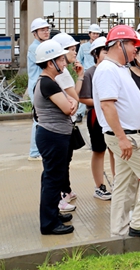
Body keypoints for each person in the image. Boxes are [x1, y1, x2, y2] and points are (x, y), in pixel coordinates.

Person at [93, 24, 140, 238]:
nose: (136, 49)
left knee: (125, 183)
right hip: (128, 136)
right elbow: (107, 105)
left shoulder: (119, 68)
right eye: (132, 44)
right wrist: (122, 138)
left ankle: (119, 230)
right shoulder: (107, 70)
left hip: (131, 135)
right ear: (119, 45)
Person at [33, 40, 78, 235]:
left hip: (53, 135)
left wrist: (71, 102)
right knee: (52, 179)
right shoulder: (48, 83)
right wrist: (71, 103)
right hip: (53, 136)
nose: (64, 62)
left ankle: (53, 215)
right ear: (50, 63)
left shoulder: (50, 82)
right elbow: (69, 107)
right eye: (60, 59)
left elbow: (71, 102)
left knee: (53, 177)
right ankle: (49, 224)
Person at [51, 33, 85, 213]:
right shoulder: (62, 74)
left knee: (65, 159)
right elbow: (74, 97)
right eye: (71, 49)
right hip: (61, 123)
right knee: (61, 161)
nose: (75, 52)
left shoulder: (62, 72)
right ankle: (61, 195)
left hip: (65, 122)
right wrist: (81, 77)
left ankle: (66, 190)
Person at [78, 36, 114, 201]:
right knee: (99, 151)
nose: (108, 54)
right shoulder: (90, 73)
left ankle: (118, 183)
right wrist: (102, 103)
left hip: (112, 114)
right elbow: (83, 98)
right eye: (105, 51)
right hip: (95, 116)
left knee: (115, 150)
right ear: (96, 54)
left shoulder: (114, 71)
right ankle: (99, 187)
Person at [27, 17, 52, 161]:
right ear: (34, 33)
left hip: (42, 85)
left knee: (42, 118)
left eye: (47, 29)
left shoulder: (43, 46)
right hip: (37, 87)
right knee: (38, 119)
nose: (46, 32)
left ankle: (39, 150)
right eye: (42, 30)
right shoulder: (35, 48)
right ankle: (34, 152)